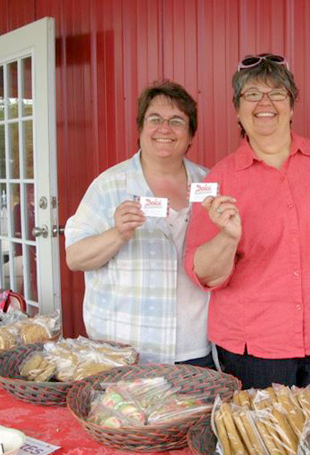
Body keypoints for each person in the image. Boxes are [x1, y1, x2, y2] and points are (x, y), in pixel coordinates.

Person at [184, 54, 310, 403]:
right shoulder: (220, 180)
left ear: (292, 106)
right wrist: (227, 238)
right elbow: (204, 273)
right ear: (237, 110)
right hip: (255, 349)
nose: (265, 102)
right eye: (252, 94)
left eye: (277, 93)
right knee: (264, 452)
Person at [65, 80, 213, 366]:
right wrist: (117, 233)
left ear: (190, 135)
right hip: (126, 349)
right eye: (154, 119)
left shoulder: (208, 183)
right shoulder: (109, 185)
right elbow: (75, 257)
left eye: (177, 121)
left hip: (194, 347)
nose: (164, 129)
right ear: (141, 129)